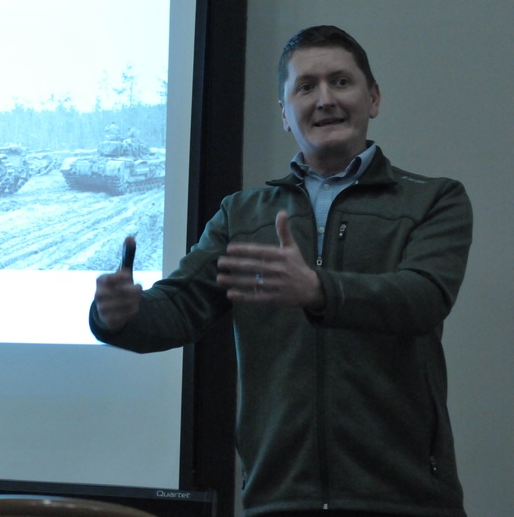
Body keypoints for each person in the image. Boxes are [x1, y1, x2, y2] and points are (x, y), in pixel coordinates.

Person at [90, 25, 472, 517]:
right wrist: (120, 315)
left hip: (408, 495)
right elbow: (181, 307)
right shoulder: (243, 214)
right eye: (306, 87)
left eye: (341, 82)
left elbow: (423, 297)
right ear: (285, 114)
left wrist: (318, 290)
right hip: (279, 495)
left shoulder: (433, 199)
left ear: (373, 98)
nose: (325, 99)